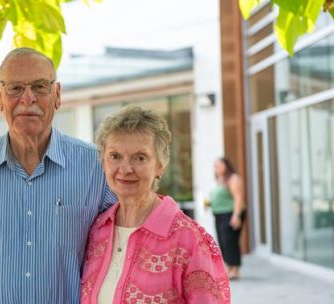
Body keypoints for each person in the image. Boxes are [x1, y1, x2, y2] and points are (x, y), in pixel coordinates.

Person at [0, 47, 115, 303]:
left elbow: (122, 261)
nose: (27, 98)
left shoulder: (97, 167)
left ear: (57, 95)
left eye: (40, 87)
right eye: (15, 88)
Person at [80, 105, 230, 304]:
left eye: (139, 158)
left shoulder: (188, 239)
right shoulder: (97, 229)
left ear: (160, 166)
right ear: (103, 162)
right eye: (115, 156)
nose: (125, 169)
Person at [210, 157, 245, 280]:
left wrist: (236, 216)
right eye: (215, 166)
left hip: (230, 214)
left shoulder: (233, 178)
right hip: (219, 214)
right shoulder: (220, 180)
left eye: (219, 165)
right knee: (223, 242)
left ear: (226, 165)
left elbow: (238, 198)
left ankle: (235, 270)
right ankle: (229, 268)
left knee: (230, 242)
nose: (216, 168)